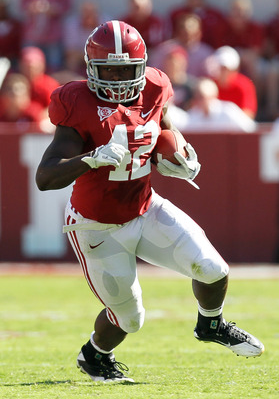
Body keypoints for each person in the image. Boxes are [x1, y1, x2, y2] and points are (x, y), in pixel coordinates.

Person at [36, 21, 264, 383]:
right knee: (130, 318)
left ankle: (211, 324)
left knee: (213, 269)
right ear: (91, 68)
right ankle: (94, 356)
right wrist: (93, 157)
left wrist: (179, 154)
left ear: (141, 67)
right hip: (97, 226)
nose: (118, 79)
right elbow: (45, 177)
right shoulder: (75, 102)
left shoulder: (155, 86)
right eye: (108, 70)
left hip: (145, 207)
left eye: (126, 70)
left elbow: (165, 128)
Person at [177, 77, 257, 132]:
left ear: (214, 96)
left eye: (203, 97)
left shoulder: (228, 111)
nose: (201, 101)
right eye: (198, 97)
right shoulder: (192, 115)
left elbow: (250, 129)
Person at [206, 45, 258, 120]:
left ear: (235, 69)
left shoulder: (244, 85)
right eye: (221, 68)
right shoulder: (209, 85)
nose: (224, 72)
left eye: (227, 69)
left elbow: (249, 114)